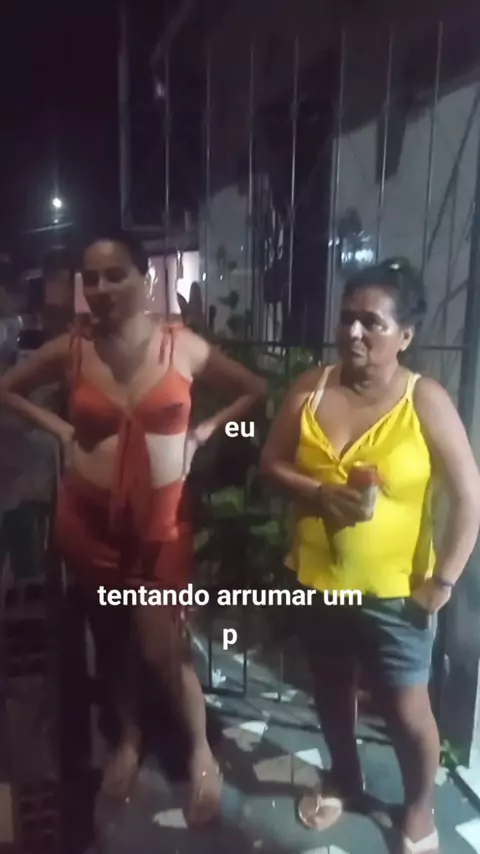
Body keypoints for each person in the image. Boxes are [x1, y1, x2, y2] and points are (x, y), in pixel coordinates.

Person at [0, 233, 267, 825]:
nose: (99, 289)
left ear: (144, 279)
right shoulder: (72, 350)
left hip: (159, 525)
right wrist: (61, 430)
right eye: (90, 278)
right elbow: (7, 390)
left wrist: (205, 433)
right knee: (112, 638)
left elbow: (253, 390)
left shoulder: (182, 346)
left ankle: (200, 751)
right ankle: (129, 735)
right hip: (89, 519)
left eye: (114, 274)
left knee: (161, 646)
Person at [260, 258, 480, 854]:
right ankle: (344, 777)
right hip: (318, 580)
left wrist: (443, 582)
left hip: (397, 596)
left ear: (404, 335)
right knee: (331, 688)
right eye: (346, 318)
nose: (352, 332)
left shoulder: (424, 399)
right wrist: (317, 493)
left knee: (407, 712)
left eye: (371, 323)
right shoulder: (311, 387)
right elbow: (270, 464)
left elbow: (469, 496)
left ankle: (419, 807)